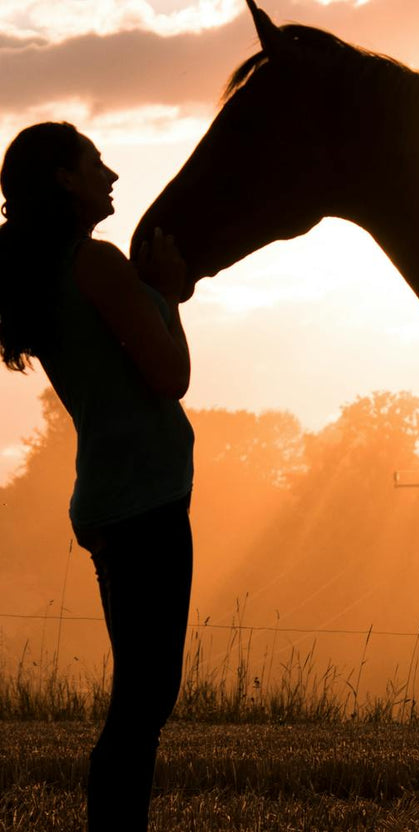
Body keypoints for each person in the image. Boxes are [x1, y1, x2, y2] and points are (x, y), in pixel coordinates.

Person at [0, 121, 194, 832]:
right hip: (148, 502)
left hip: (113, 501)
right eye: (96, 163)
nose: (112, 175)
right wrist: (170, 294)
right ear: (65, 179)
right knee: (144, 702)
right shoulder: (96, 264)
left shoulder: (44, 273)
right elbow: (170, 377)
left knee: (141, 697)